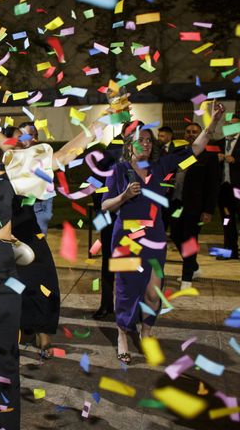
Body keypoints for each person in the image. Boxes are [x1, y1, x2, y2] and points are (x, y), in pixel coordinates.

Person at [0, 114, 105, 430]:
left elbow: (62, 156)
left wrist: (94, 130)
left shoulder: (8, 171)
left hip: (3, 279)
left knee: (5, 358)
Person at [102, 105, 224, 365]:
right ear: (129, 144)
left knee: (153, 293)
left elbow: (196, 149)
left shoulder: (161, 167)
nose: (145, 144)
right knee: (125, 291)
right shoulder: (119, 170)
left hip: (155, 238)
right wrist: (124, 196)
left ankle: (146, 333)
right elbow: (104, 205)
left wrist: (212, 122)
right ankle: (123, 333)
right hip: (125, 240)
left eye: (148, 140)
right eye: (140, 140)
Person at [171, 122, 220, 289]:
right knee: (176, 236)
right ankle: (194, 267)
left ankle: (187, 278)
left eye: (195, 132)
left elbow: (213, 186)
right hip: (176, 203)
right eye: (188, 131)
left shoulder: (209, 156)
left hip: (195, 206)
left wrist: (208, 210)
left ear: (201, 135)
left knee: (189, 239)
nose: (191, 134)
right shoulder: (179, 152)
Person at [91, 134, 124, 320]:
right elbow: (95, 182)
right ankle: (106, 304)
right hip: (109, 217)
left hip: (134, 220)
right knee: (108, 261)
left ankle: (129, 305)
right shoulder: (109, 156)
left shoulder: (147, 160)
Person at [217, 113, 240, 260]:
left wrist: (236, 160)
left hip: (238, 189)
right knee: (227, 219)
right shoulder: (217, 144)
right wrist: (215, 158)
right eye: (228, 124)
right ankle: (230, 250)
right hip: (223, 189)